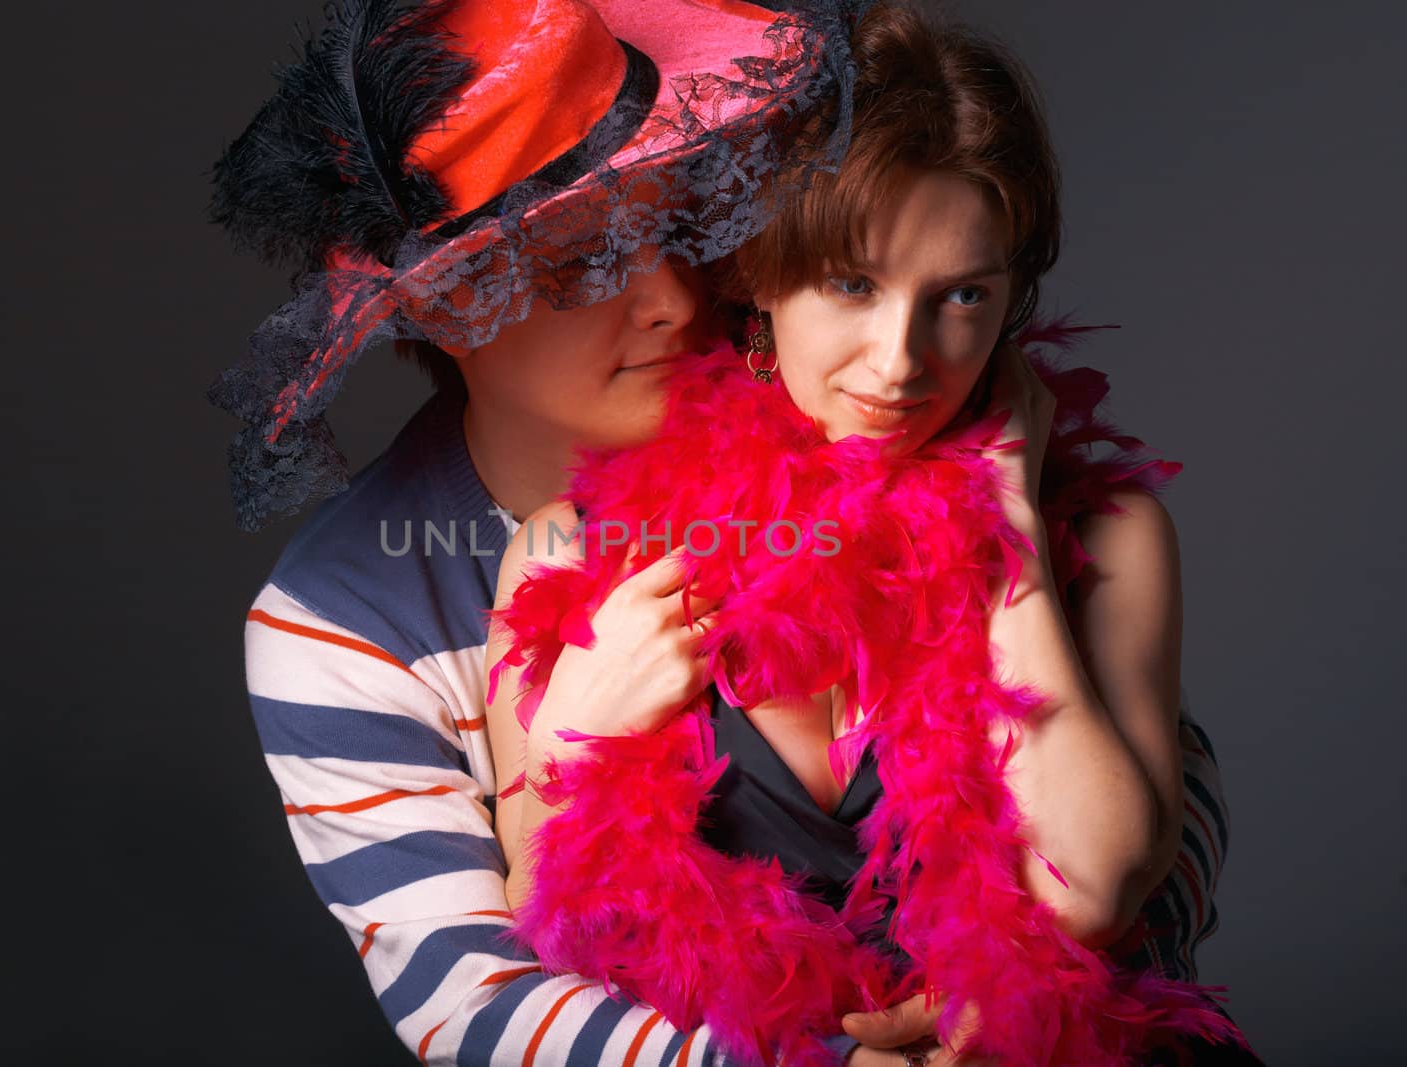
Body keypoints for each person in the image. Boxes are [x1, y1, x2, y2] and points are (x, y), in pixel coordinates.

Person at [210, 1, 1234, 1063]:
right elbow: (471, 995)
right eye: (579, 266)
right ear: (443, 308)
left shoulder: (921, 450)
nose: (664, 295)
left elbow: (1154, 830)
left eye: (677, 225)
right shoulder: (341, 618)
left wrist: (1027, 986)